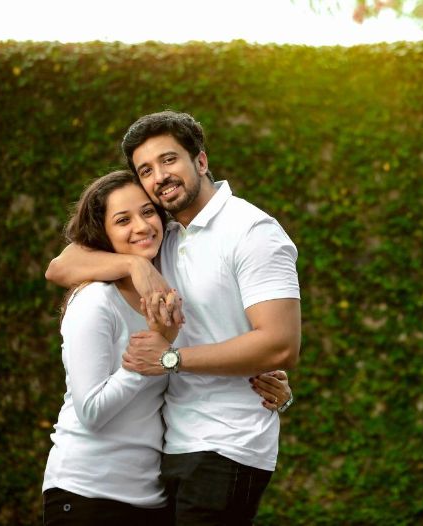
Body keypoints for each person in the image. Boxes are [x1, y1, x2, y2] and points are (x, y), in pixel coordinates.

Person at [46, 111, 301, 524]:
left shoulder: (252, 231)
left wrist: (172, 359)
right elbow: (60, 266)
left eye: (169, 160)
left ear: (200, 161)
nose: (160, 176)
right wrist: (134, 266)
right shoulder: (161, 234)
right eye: (146, 169)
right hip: (173, 447)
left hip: (228, 442)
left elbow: (281, 344)